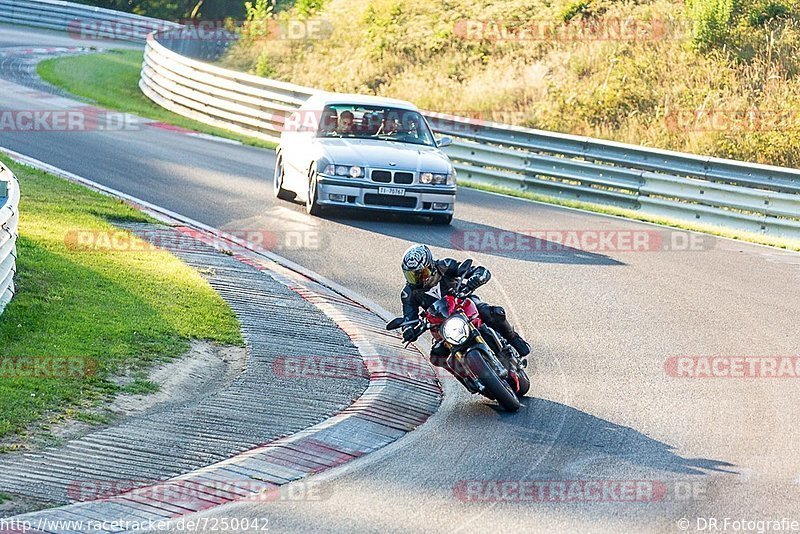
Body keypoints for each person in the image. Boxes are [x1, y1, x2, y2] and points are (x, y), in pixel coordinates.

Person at [399, 244, 531, 371]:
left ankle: (513, 338)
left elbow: (477, 271)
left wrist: (476, 277)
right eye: (411, 275)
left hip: (463, 304)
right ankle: (467, 376)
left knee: (493, 313)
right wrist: (408, 329)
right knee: (436, 356)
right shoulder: (408, 293)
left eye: (421, 273)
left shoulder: (444, 266)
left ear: (431, 265)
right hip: (440, 324)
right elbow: (408, 317)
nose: (417, 279)